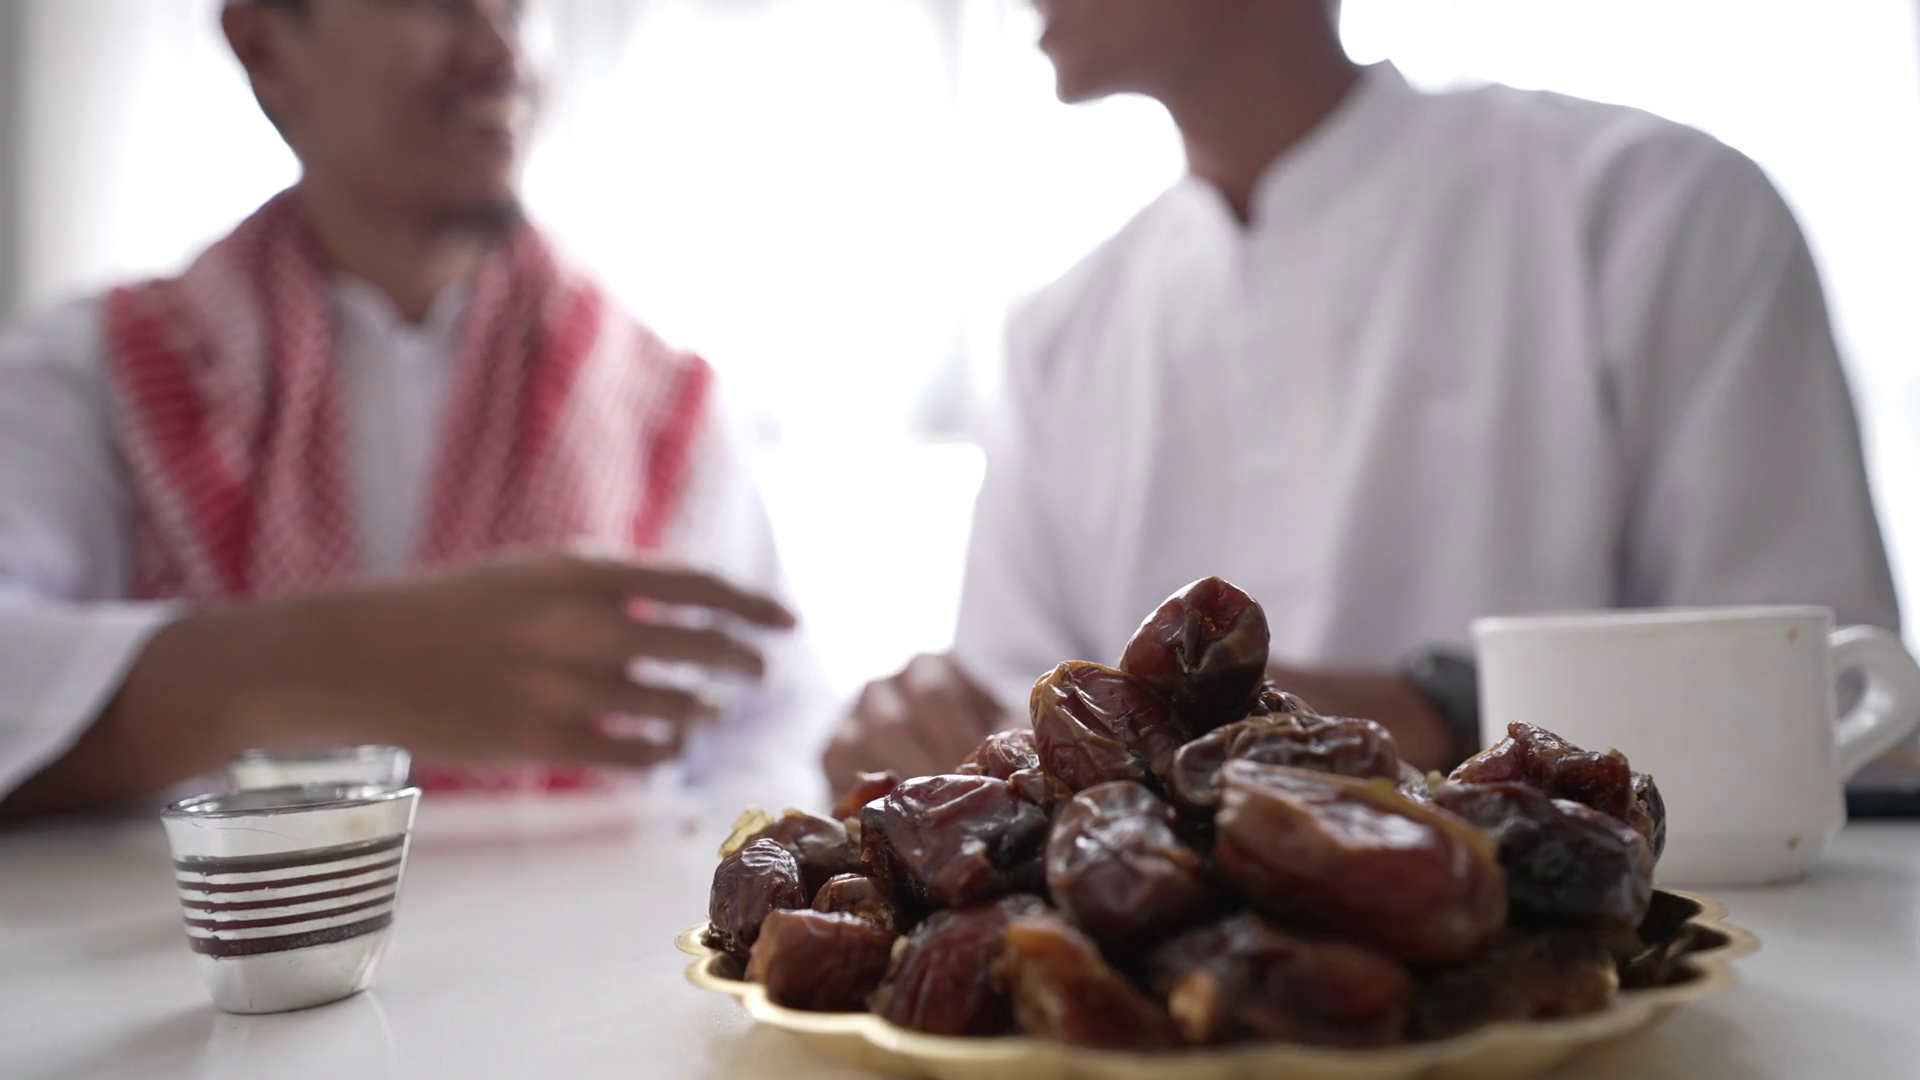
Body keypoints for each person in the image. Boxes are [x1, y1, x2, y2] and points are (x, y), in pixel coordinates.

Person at [823, 0, 1900, 790]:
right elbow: (1016, 729)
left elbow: (1830, 706)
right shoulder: (1057, 334)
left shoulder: (1657, 212)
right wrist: (910, 735)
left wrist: (1444, 710)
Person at [0, 0, 833, 818]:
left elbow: (775, 741)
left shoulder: (668, 407)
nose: (499, 53)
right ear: (265, 48)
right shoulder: (96, 375)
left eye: (513, 12)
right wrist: (350, 664)